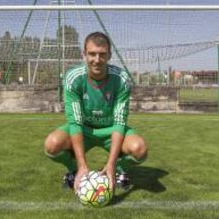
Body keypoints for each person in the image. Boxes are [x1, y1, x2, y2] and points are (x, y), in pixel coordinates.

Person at [44, 31, 148, 192]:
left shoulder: (122, 79)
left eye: (102, 54)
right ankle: (73, 169)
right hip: (84, 129)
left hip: (111, 129)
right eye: (92, 54)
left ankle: (119, 169)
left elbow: (120, 123)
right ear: (84, 54)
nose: (97, 60)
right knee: (52, 145)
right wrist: (82, 165)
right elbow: (75, 122)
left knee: (139, 149)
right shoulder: (73, 78)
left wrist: (112, 164)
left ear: (109, 55)